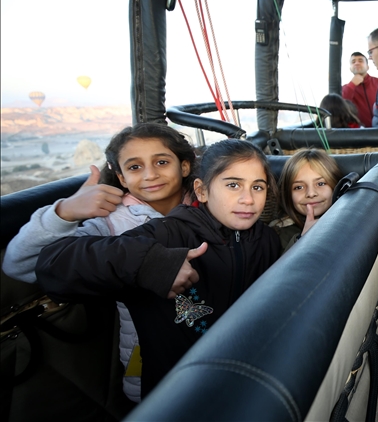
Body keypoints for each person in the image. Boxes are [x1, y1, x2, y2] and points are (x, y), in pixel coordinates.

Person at [35, 139, 282, 399]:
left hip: (246, 382)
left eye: (258, 186)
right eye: (233, 185)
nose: (248, 199)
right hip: (176, 393)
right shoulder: (167, 234)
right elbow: (53, 263)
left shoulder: (266, 240)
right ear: (202, 190)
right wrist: (149, 262)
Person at [3, 122, 196, 403]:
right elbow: (20, 264)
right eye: (134, 167)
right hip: (148, 352)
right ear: (119, 176)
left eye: (162, 162)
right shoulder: (109, 223)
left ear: (185, 166)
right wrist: (65, 212)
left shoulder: (211, 205)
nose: (150, 174)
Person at [270, 148, 344, 253]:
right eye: (299, 187)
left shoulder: (349, 221)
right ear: (288, 194)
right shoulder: (278, 234)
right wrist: (303, 240)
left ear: (335, 186)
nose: (311, 193)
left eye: (321, 184)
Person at [341, 52, 378, 127]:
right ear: (350, 68)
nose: (356, 63)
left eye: (360, 61)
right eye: (353, 62)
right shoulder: (345, 88)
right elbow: (340, 106)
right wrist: (352, 85)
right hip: (360, 134)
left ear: (367, 67)